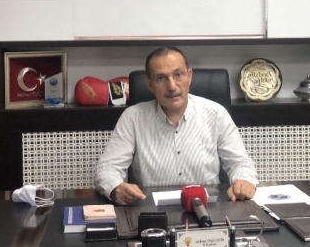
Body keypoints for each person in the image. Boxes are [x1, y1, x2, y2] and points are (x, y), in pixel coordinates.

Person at [95, 46, 258, 205]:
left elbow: (240, 163)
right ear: (150, 85)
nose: (172, 86)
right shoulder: (133, 117)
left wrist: (244, 180)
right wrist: (115, 188)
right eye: (161, 78)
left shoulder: (216, 114)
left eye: (178, 75)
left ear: (189, 76)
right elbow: (107, 169)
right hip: (152, 210)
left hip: (208, 207)